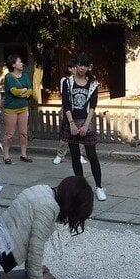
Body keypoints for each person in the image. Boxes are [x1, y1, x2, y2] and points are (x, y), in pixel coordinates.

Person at [0, 176, 94, 279]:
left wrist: (35, 269)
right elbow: (36, 246)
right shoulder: (48, 207)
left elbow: (28, 231)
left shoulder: (42, 189)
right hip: (6, 253)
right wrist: (35, 278)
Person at [61, 52, 107, 201]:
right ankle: (80, 189)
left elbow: (93, 105)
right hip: (71, 122)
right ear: (75, 65)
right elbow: (66, 104)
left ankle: (99, 187)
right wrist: (72, 124)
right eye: (79, 64)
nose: (81, 68)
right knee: (75, 156)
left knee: (92, 156)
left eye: (84, 65)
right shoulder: (67, 82)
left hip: (86, 122)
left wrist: (86, 124)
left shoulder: (93, 84)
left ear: (89, 67)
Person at [53, 58, 87, 166]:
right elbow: (65, 97)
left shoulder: (83, 80)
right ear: (70, 69)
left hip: (80, 111)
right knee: (66, 134)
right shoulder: (65, 80)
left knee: (80, 134)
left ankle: (81, 154)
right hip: (68, 110)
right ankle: (60, 154)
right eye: (74, 67)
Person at [2, 54, 32, 165]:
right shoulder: (9, 77)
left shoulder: (24, 76)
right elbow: (14, 91)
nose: (21, 64)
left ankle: (23, 154)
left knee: (23, 132)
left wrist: (24, 92)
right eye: (19, 62)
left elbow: (30, 90)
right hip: (11, 108)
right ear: (13, 64)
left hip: (23, 107)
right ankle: (6, 155)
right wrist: (24, 91)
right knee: (9, 133)